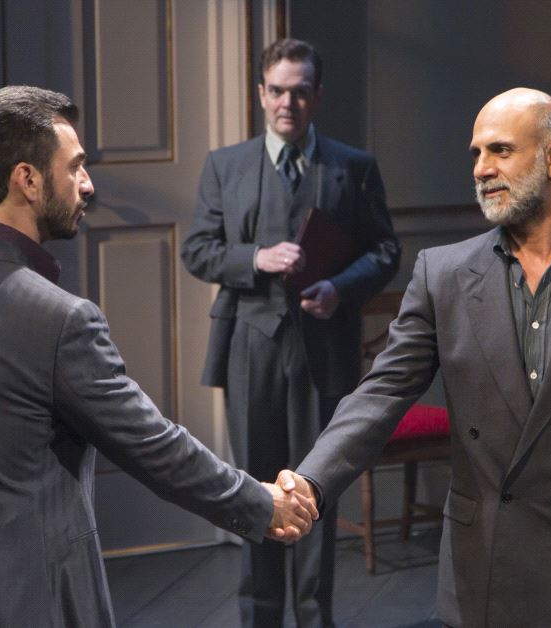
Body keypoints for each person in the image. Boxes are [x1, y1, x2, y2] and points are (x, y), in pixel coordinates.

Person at [0, 85, 318, 628]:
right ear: (28, 179)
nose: (88, 184)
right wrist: (261, 503)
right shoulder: (59, 318)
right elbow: (152, 445)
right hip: (33, 602)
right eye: (75, 167)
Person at [284, 88, 551, 627]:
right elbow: (381, 393)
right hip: (486, 566)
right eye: (476, 154)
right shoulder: (444, 274)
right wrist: (309, 482)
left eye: (500, 150)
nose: (481, 168)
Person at [181, 39, 401, 626]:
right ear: (261, 94)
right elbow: (197, 250)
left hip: (323, 348)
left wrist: (340, 288)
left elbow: (384, 250)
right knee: (252, 490)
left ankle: (313, 616)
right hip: (249, 344)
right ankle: (260, 616)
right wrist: (255, 258)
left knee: (313, 488)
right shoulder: (225, 166)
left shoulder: (353, 167)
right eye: (277, 91)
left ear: (316, 96)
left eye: (300, 92)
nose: (288, 103)